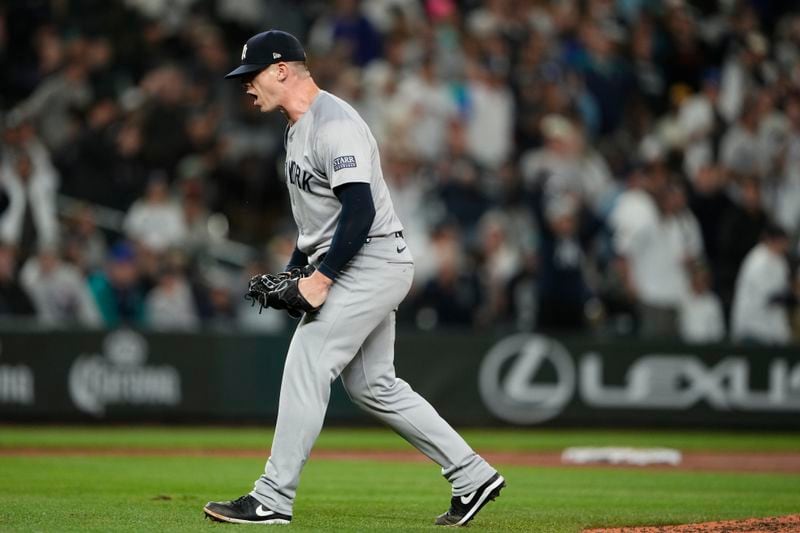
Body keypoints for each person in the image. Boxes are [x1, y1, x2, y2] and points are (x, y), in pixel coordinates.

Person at [204, 30, 504, 527]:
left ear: (282, 70)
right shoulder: (296, 128)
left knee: (307, 361)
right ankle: (472, 475)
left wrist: (318, 282)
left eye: (251, 75)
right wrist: (295, 275)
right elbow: (315, 229)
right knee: (373, 385)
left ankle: (273, 497)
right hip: (359, 260)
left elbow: (359, 211)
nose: (245, 86)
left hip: (372, 259)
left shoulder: (334, 122)